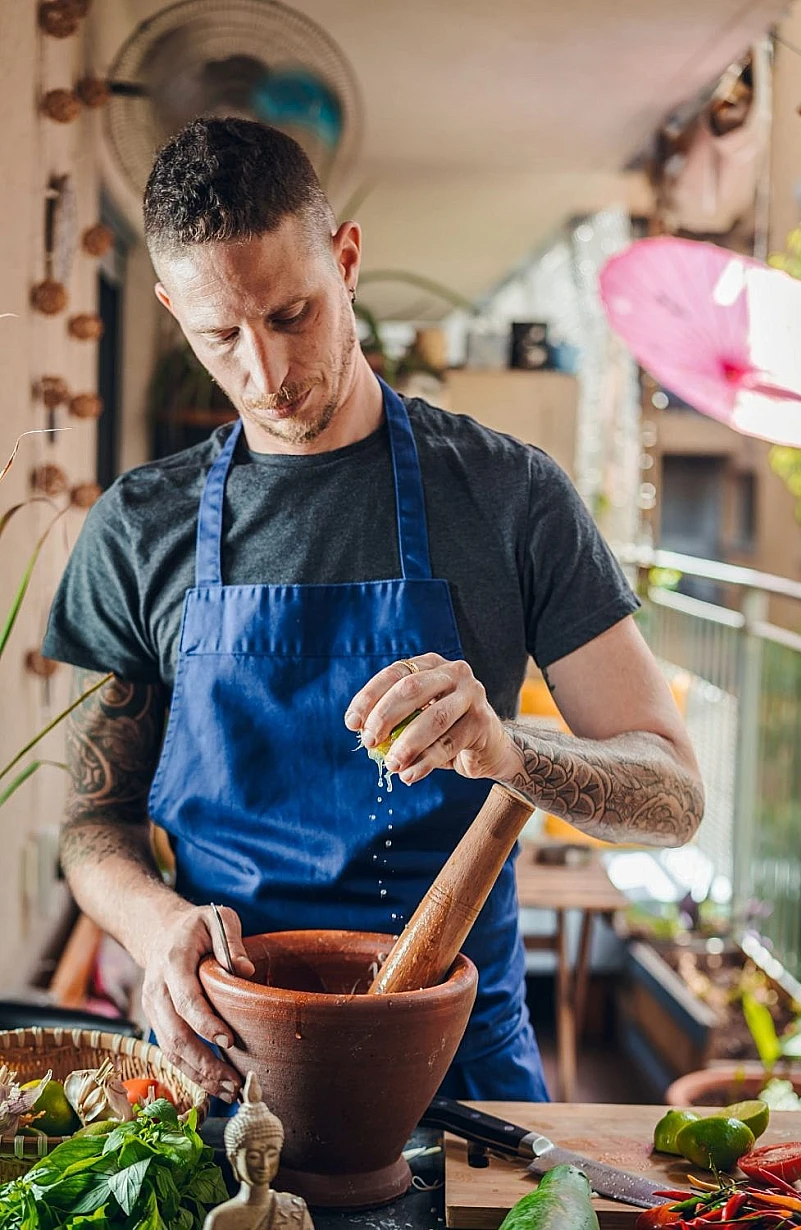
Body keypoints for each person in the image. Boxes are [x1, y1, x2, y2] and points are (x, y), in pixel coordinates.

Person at [43, 117, 704, 1108]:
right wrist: (151, 927)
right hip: (221, 1067)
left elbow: (674, 796)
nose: (264, 374)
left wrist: (511, 749)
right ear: (170, 307)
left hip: (458, 1068)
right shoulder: (140, 526)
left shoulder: (508, 495)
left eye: (291, 314)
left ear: (345, 260)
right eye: (219, 335)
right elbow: (95, 821)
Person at [204, 1072, 314, 1230]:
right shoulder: (221, 1220)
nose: (264, 1164)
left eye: (271, 1154)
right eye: (254, 1156)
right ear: (234, 1159)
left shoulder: (294, 1210)